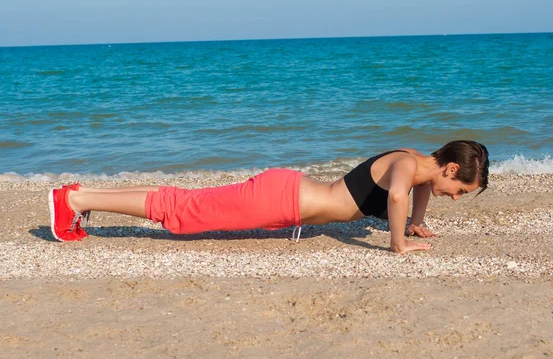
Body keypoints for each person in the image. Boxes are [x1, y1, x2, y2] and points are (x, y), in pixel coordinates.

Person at [48, 140, 489, 254]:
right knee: (182, 213)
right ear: (451, 168)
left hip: (285, 193)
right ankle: (74, 204)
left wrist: (416, 222)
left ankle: (80, 195)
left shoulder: (414, 161)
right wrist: (399, 243)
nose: (454, 197)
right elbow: (396, 196)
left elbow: (413, 194)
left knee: (184, 199)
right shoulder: (409, 167)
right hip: (281, 201)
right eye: (460, 190)